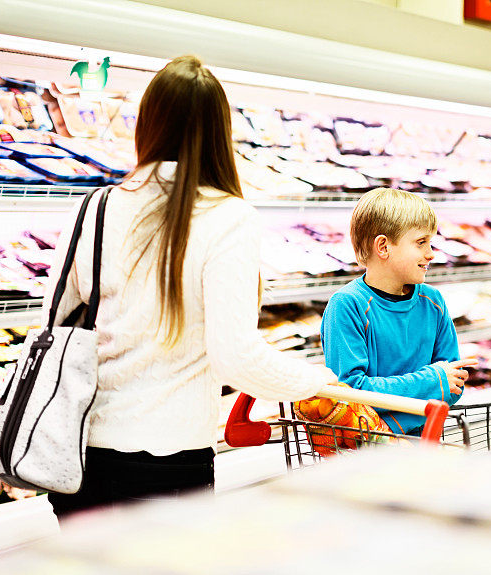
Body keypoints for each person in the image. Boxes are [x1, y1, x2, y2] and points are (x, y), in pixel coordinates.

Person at [45, 55, 337, 516]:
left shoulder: (96, 206)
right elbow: (235, 356)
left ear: (148, 123)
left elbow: (53, 321)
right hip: (168, 462)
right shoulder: (227, 217)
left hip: (78, 458)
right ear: (219, 132)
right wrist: (314, 381)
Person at [321, 188, 476, 435]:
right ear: (383, 246)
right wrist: (433, 381)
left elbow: (454, 385)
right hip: (365, 451)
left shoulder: (432, 301)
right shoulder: (347, 306)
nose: (431, 253)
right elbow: (349, 393)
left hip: (428, 442)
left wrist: (390, 420)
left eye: (431, 242)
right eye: (421, 242)